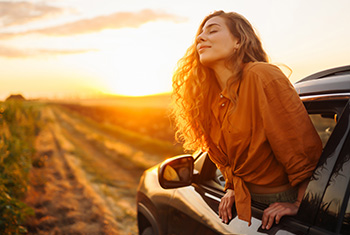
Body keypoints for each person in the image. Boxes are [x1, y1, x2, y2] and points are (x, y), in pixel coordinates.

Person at [171, 10, 323, 230]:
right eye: (200, 34)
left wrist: (300, 203)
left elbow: (299, 145)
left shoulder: (261, 75)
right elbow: (231, 159)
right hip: (247, 206)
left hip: (277, 205)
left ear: (238, 41)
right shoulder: (211, 100)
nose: (200, 38)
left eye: (212, 30)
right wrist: (232, 188)